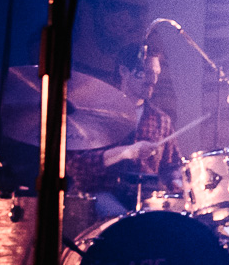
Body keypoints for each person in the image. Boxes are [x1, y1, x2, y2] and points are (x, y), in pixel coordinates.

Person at [67, 43, 182, 222]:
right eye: (146, 72)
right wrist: (126, 152)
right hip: (98, 194)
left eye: (156, 73)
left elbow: (172, 167)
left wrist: (180, 183)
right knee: (124, 222)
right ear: (124, 71)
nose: (153, 80)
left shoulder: (161, 120)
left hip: (143, 200)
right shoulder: (96, 113)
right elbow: (76, 164)